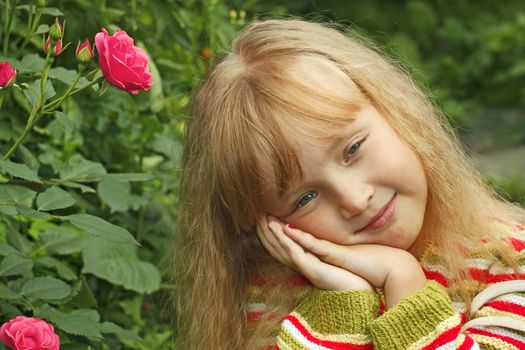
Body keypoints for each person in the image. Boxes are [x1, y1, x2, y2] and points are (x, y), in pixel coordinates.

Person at [172, 19, 525, 349]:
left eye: (353, 149)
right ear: (267, 223)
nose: (355, 201)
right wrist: (343, 305)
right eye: (305, 198)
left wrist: (403, 282)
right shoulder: (265, 299)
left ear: (399, 116)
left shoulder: (508, 263)